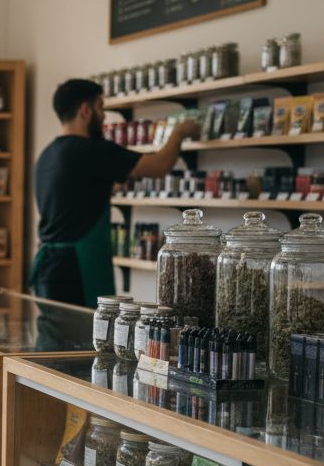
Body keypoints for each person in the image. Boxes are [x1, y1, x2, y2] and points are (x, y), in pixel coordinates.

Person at [30, 78, 199, 307]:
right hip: (77, 270)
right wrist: (178, 133)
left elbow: (78, 194)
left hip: (48, 269)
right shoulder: (91, 150)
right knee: (85, 336)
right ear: (85, 110)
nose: (103, 115)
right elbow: (160, 165)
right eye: (100, 107)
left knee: (54, 338)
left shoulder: (47, 155)